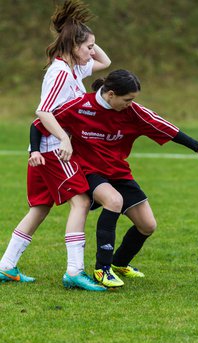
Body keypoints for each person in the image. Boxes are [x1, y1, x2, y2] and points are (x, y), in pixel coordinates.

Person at [29, 69, 198, 289]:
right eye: (127, 99)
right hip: (88, 171)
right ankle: (102, 269)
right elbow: (38, 125)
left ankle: (119, 263)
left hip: (118, 172)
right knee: (113, 201)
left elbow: (164, 127)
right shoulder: (80, 106)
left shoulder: (133, 112)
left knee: (147, 225)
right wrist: (35, 152)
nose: (131, 104)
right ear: (111, 94)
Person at [0, 0, 111, 291]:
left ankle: (6, 266)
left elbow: (105, 62)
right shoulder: (60, 72)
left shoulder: (73, 69)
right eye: (87, 46)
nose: (91, 52)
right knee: (82, 202)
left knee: (39, 207)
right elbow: (43, 111)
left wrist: (84, 37)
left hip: (44, 149)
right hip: (52, 150)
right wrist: (64, 138)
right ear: (73, 47)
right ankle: (74, 271)